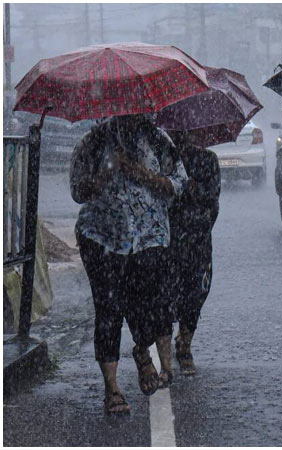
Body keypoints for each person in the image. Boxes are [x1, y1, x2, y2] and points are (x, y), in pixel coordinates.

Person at [70, 114, 188, 414]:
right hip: (102, 238)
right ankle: (111, 389)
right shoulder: (94, 141)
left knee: (145, 304)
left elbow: (177, 184)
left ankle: (143, 350)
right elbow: (77, 191)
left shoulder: (159, 140)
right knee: (108, 310)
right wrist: (105, 174)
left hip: (149, 238)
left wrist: (139, 172)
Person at [157, 132, 221, 379]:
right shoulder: (162, 160)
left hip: (197, 239)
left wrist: (194, 195)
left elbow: (213, 201)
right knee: (164, 294)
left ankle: (185, 343)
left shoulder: (207, 160)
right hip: (166, 238)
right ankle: (164, 350)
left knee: (195, 293)